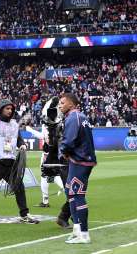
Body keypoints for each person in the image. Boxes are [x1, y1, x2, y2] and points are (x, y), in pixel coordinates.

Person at [58, 93, 97, 244]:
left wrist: (64, 153)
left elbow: (68, 141)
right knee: (70, 191)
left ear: (71, 104)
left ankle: (84, 234)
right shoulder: (81, 116)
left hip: (80, 161)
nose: (60, 105)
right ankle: (77, 229)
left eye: (62, 102)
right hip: (81, 159)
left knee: (77, 194)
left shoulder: (73, 118)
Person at [26, 124, 64, 208]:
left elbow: (43, 136)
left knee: (49, 176)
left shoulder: (49, 126)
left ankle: (69, 193)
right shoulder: (55, 125)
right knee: (48, 176)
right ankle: (45, 201)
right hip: (51, 154)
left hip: (49, 155)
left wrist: (30, 130)